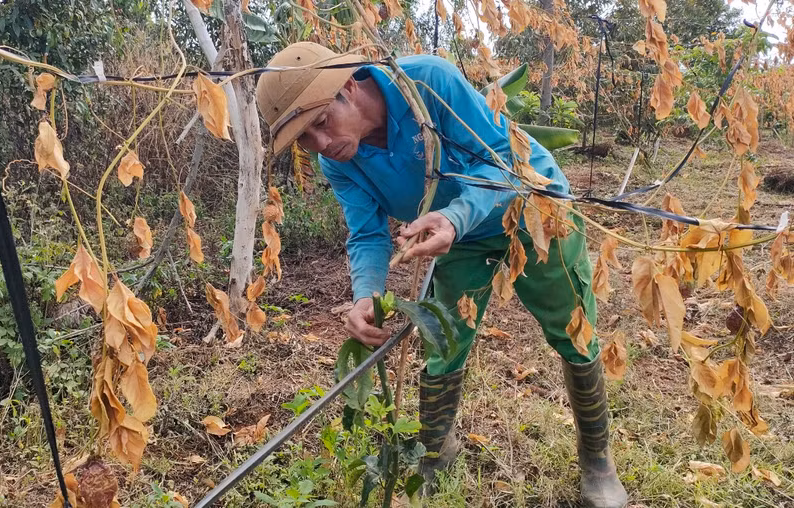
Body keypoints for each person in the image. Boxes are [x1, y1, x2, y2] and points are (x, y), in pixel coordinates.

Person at [255, 42, 628, 508]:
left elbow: (501, 161)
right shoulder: (338, 161)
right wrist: (366, 295)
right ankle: (435, 452)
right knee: (443, 338)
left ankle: (598, 461)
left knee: (571, 329)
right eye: (305, 139)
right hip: (462, 238)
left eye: (321, 124)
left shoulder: (428, 82)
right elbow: (367, 234)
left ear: (348, 84)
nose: (322, 145)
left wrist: (454, 218)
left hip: (535, 210)